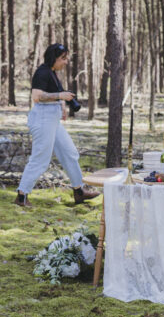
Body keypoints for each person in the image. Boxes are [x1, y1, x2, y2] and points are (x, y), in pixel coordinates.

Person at [14, 43, 100, 207]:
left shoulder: (52, 73)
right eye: (63, 58)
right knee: (40, 159)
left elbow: (52, 95)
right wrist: (60, 96)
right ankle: (21, 196)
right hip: (43, 118)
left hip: (52, 119)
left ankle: (79, 191)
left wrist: (61, 105)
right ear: (53, 58)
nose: (66, 62)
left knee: (69, 153)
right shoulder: (42, 72)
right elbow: (37, 96)